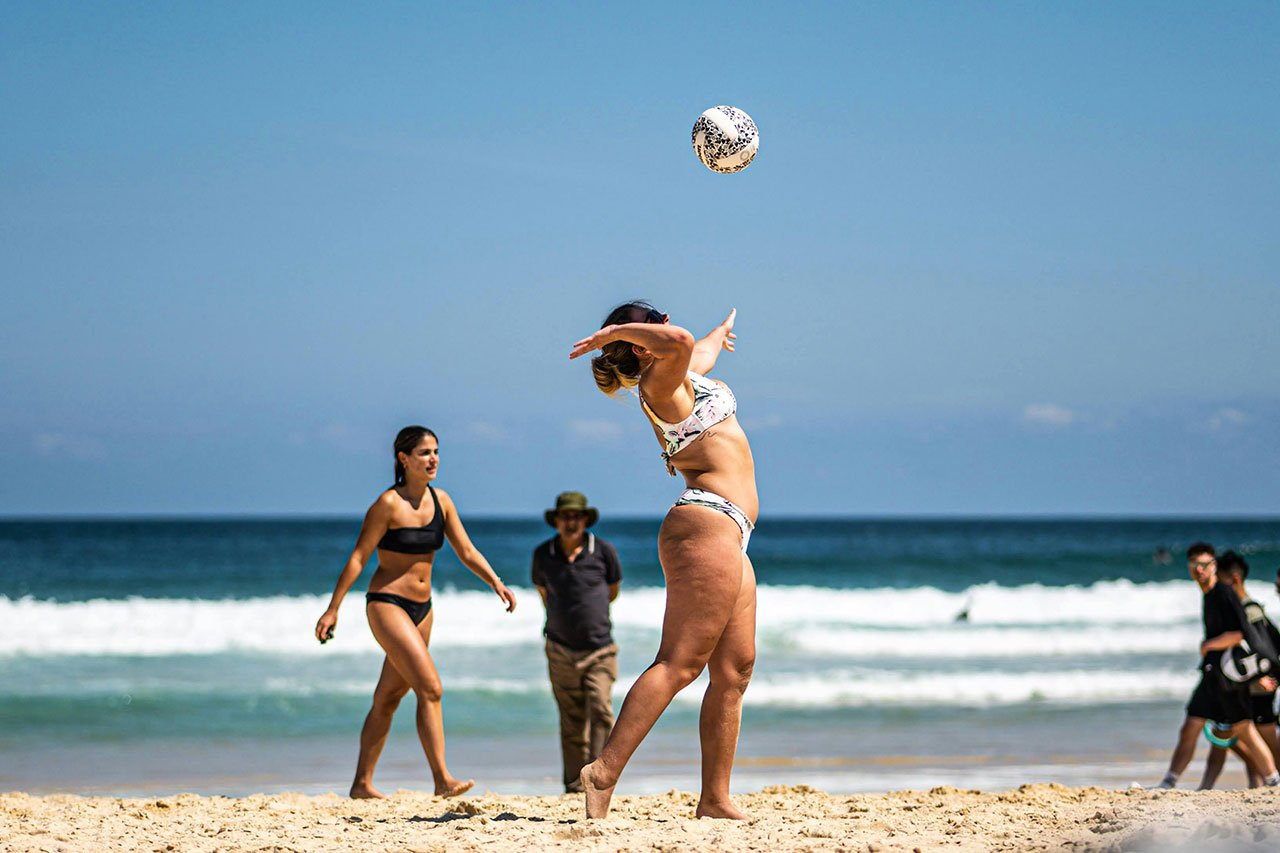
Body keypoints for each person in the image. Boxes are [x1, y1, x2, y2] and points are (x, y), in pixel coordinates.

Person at [569, 302, 756, 820]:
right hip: (706, 524)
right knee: (680, 663)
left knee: (735, 669)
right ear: (640, 344)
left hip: (730, 531)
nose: (670, 324)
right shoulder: (659, 383)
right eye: (658, 321)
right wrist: (610, 332)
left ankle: (714, 798)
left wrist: (721, 331)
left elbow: (699, 349)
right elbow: (680, 341)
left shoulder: (681, 373)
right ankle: (603, 772)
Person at [314, 425, 518, 799]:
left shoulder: (442, 501)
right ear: (403, 459)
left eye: (436, 451)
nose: (433, 459)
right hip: (387, 603)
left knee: (388, 698)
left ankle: (361, 784)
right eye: (424, 452)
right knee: (431, 688)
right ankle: (442, 779)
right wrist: (333, 609)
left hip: (423, 610)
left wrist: (496, 582)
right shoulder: (387, 504)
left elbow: (466, 551)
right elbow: (359, 557)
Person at [1154, 542, 1280, 789]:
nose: (1199, 570)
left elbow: (1240, 633)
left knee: (1243, 731)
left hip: (1229, 678)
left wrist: (1208, 645)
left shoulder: (1224, 594)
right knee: (1193, 727)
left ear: (1214, 566)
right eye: (1194, 564)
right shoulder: (1210, 594)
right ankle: (1170, 782)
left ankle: (1272, 781)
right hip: (1214, 675)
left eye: (1204, 565)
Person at [532, 491, 623, 793]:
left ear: (585, 520)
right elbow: (544, 593)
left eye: (576, 516)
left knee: (601, 711)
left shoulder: (604, 551)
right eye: (565, 516)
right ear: (556, 520)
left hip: (600, 649)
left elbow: (612, 590)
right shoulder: (543, 554)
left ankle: (598, 780)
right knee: (571, 721)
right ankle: (574, 785)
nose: (571, 522)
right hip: (559, 648)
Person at [1197, 551, 1280, 788]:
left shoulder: (1249, 610)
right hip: (1241, 683)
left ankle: (1268, 783)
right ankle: (1255, 785)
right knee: (1231, 734)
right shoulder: (1236, 607)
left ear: (1234, 578)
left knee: (1257, 739)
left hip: (1257, 687)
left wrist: (1262, 676)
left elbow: (1263, 648)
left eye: (1222, 580)